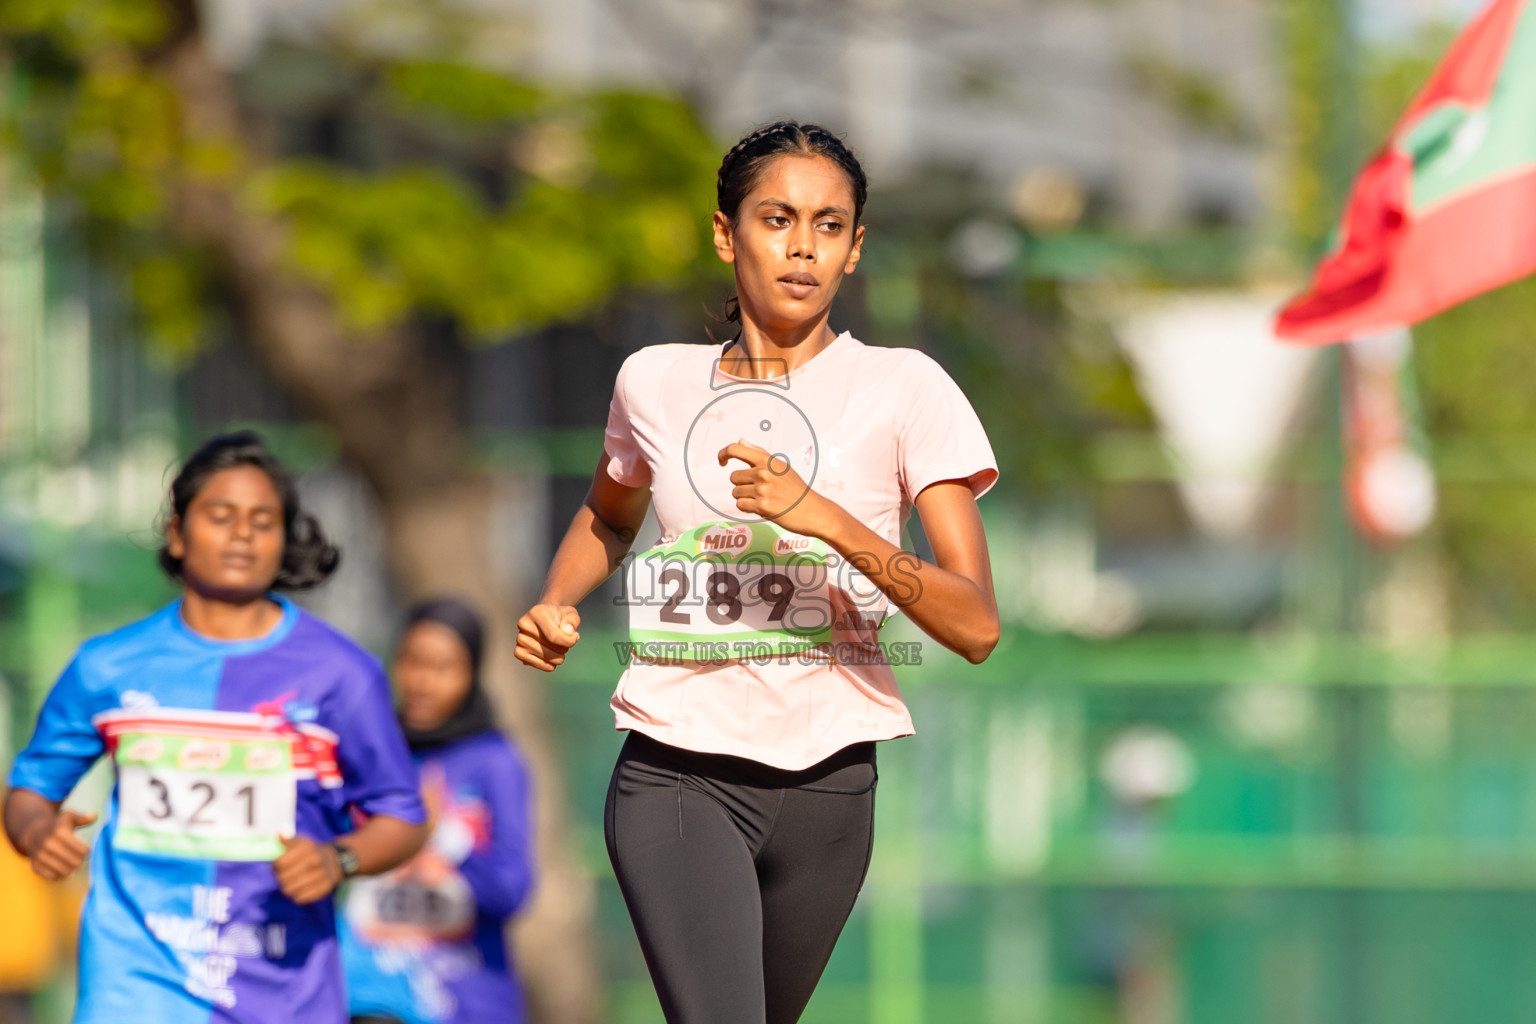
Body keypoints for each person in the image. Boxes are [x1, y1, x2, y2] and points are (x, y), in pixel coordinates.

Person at [514, 121, 1001, 1024]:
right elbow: (607, 513)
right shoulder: (653, 381)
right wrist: (554, 599)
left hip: (831, 786)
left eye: (829, 225)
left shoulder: (905, 388)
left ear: (855, 249)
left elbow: (975, 626)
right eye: (778, 219)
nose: (802, 247)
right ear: (725, 233)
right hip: (677, 769)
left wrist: (822, 517)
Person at [3, 431, 429, 1024]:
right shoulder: (108, 666)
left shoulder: (341, 674)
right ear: (178, 534)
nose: (242, 534)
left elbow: (402, 816)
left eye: (263, 520)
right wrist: (34, 831)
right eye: (220, 516)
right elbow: (30, 790)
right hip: (136, 977)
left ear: (284, 540)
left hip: (282, 982)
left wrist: (339, 860)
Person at [341, 598, 536, 1024]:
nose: (422, 681)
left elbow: (513, 891)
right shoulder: (371, 753)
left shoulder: (495, 762)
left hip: (467, 997)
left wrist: (442, 839)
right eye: (411, 661)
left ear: (472, 674)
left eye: (443, 666)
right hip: (368, 991)